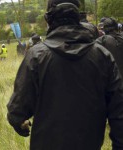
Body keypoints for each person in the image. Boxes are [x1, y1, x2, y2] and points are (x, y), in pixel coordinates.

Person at [7, 0, 123, 149]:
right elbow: (119, 113)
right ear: (77, 17)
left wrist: (18, 122)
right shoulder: (102, 56)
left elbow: (17, 110)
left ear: (47, 18)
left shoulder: (36, 56)